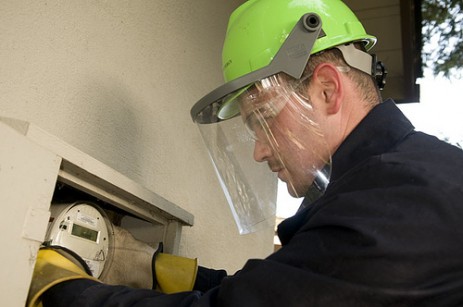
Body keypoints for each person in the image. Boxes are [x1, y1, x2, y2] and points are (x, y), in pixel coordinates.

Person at [28, 0, 463, 306]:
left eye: (264, 120)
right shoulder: (394, 185)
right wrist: (159, 268)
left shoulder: (403, 201)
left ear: (327, 90)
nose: (258, 151)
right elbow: (286, 288)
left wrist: (60, 288)